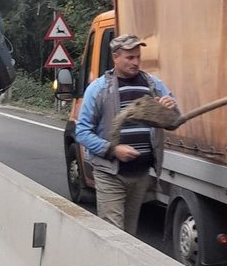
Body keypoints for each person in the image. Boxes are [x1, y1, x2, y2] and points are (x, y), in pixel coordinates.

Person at [75, 34, 178, 234]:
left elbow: (174, 121)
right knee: (113, 235)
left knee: (129, 236)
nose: (136, 62)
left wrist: (169, 109)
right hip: (110, 173)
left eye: (138, 57)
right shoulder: (99, 88)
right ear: (116, 57)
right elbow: (82, 131)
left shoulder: (153, 85)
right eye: (130, 58)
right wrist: (113, 150)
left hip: (140, 174)